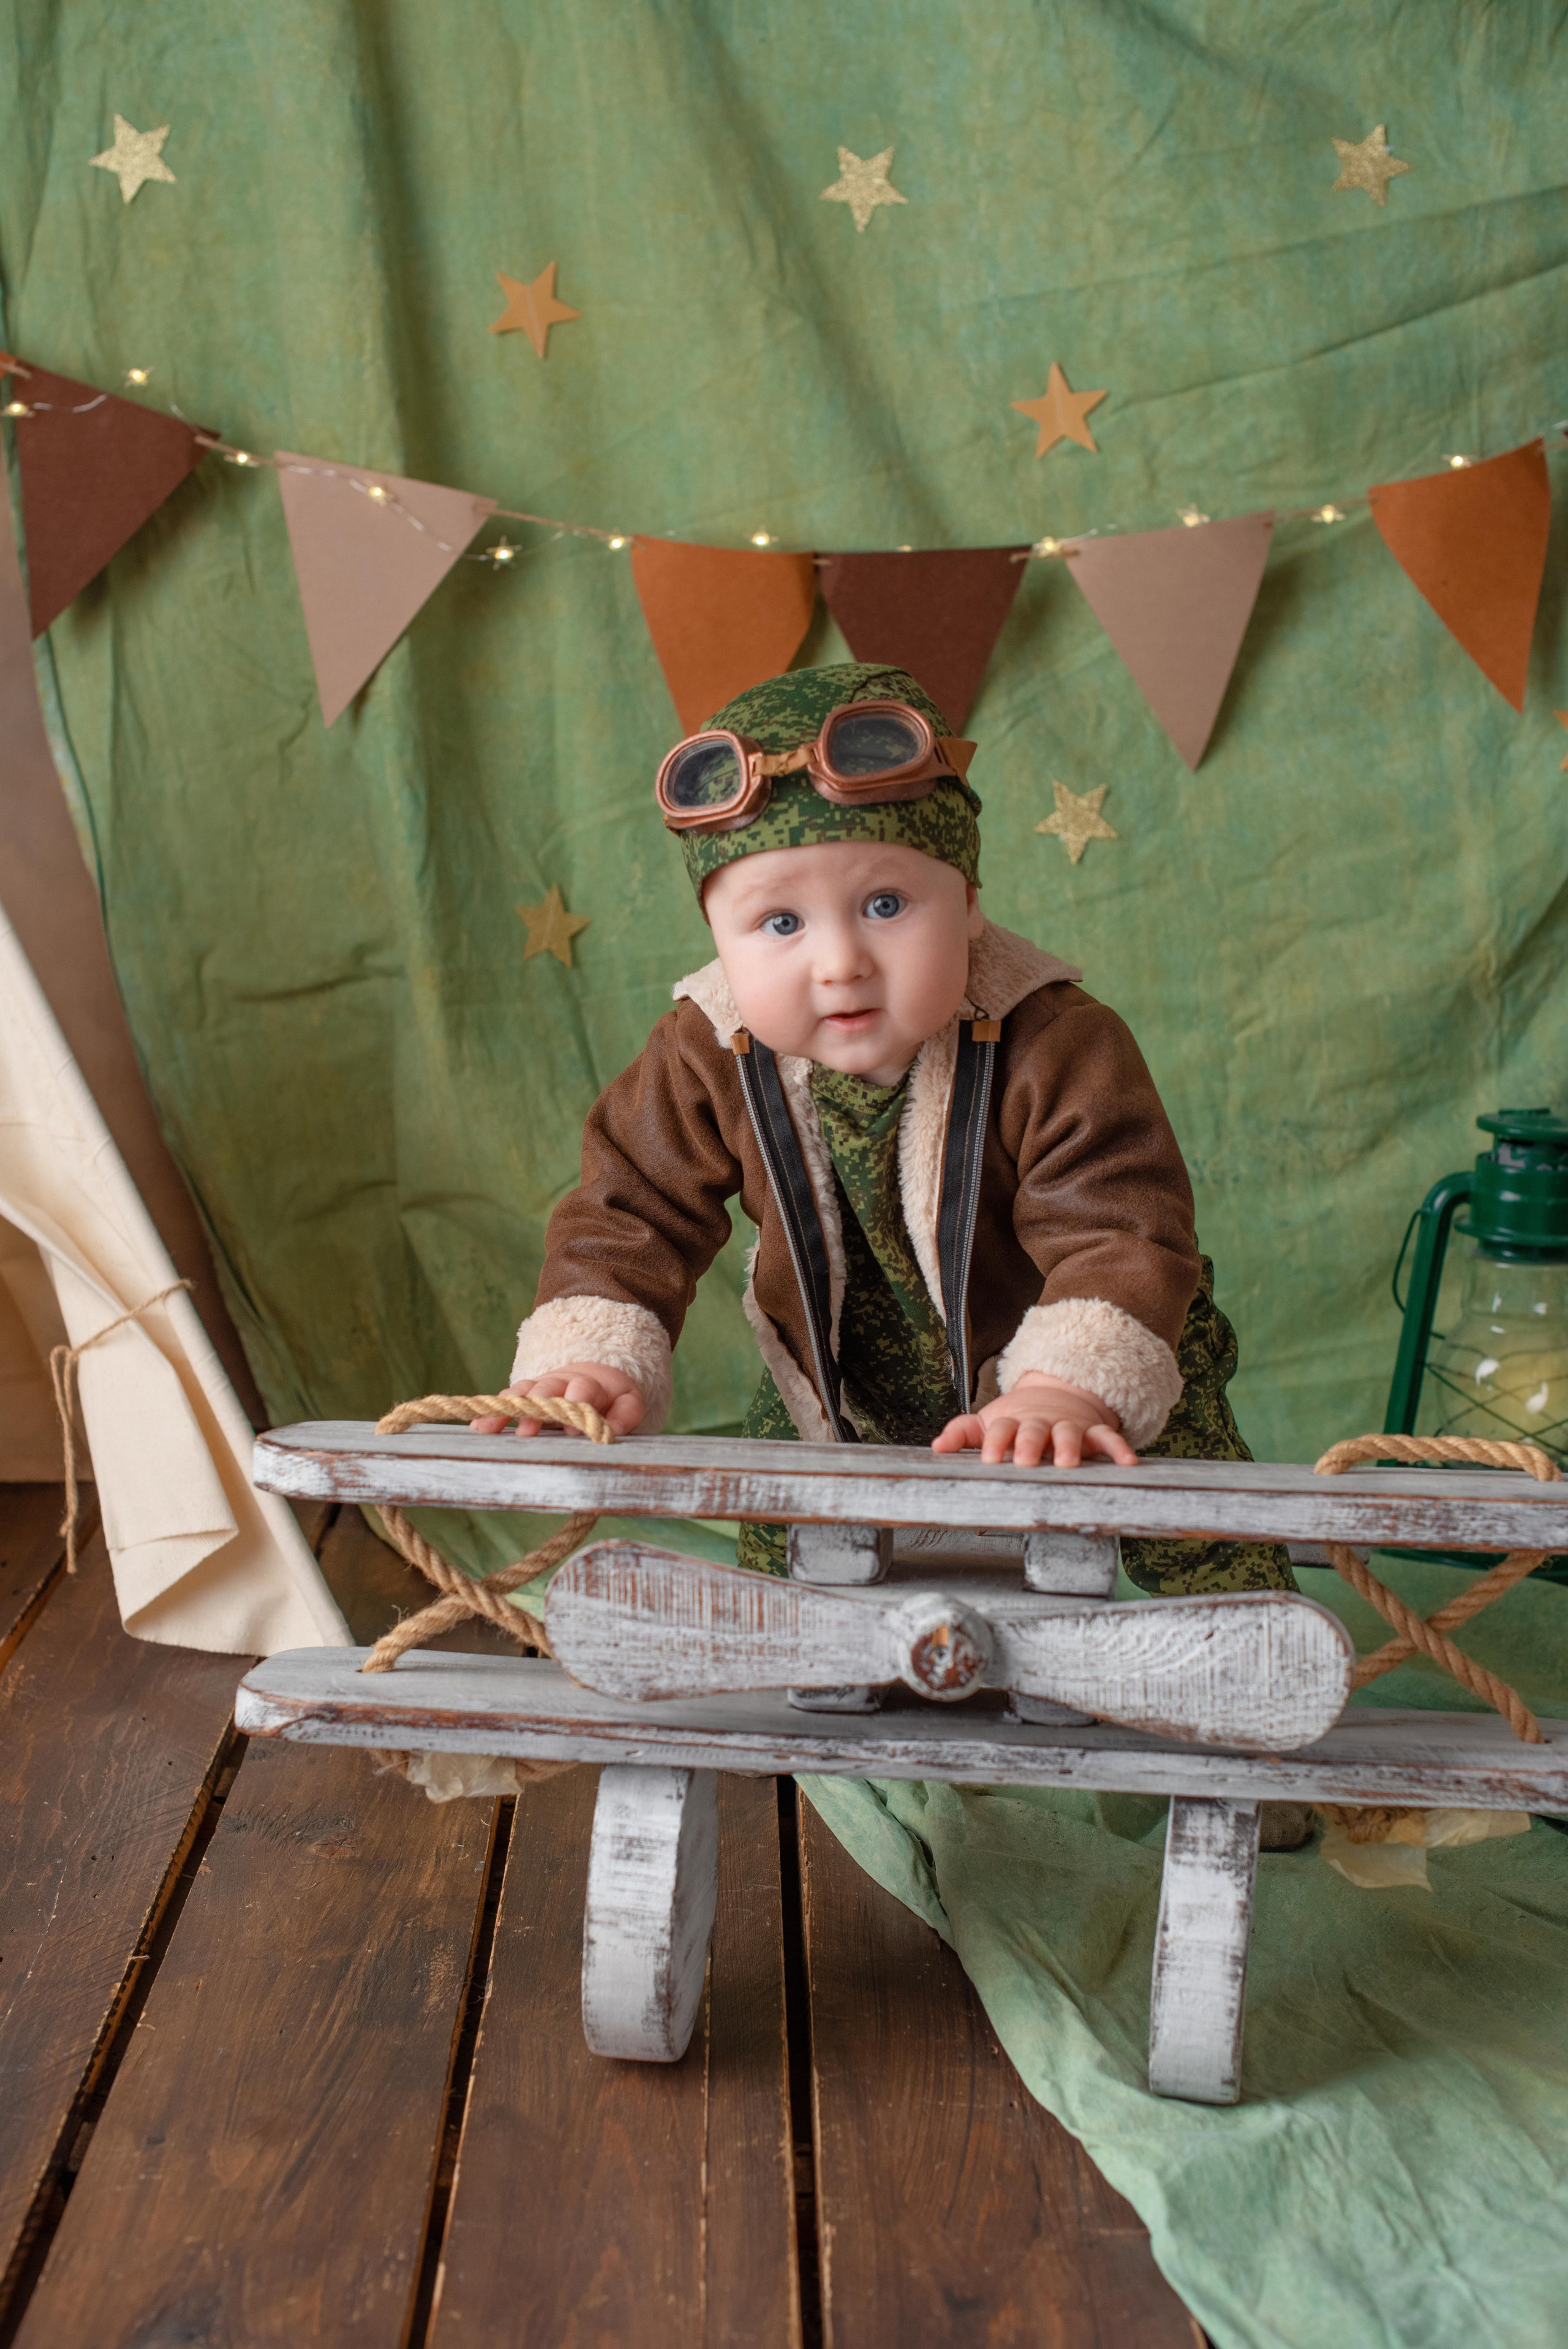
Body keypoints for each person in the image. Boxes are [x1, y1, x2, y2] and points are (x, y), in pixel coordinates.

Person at [486, 662, 1291, 1594]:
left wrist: (1066, 1385)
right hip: (842, 1377)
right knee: (779, 1523)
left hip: (1073, 1354)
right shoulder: (709, 1051)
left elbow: (1120, 1228)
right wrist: (592, 1355)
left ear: (970, 901)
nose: (840, 963)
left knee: (1183, 1510)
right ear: (718, 941)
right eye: (779, 922)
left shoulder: (1053, 1039)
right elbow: (631, 1209)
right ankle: (783, 1636)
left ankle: (1236, 1616)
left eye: (885, 906)